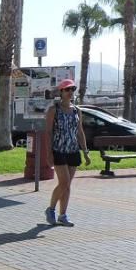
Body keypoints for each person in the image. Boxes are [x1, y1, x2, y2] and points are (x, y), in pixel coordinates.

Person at [43, 79, 90, 227]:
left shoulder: (77, 110)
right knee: (63, 182)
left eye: (72, 89)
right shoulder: (53, 110)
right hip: (59, 150)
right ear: (61, 92)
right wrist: (49, 153)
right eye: (67, 89)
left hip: (73, 150)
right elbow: (49, 132)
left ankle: (63, 215)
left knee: (68, 185)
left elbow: (80, 132)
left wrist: (85, 152)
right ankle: (51, 209)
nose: (70, 92)